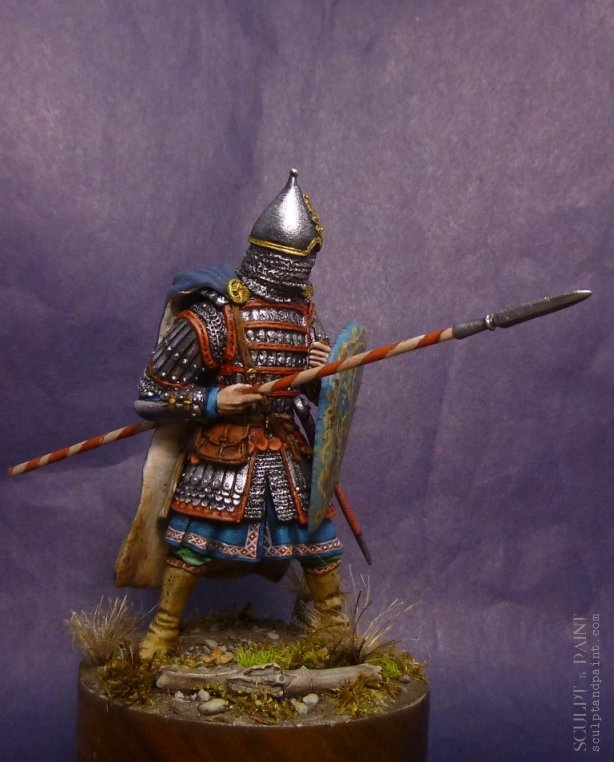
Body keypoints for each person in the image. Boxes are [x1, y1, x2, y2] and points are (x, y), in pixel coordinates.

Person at [133, 170, 345, 659]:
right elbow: (151, 394)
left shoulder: (304, 318)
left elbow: (320, 398)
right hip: (223, 451)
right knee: (193, 543)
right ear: (273, 257)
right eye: (297, 261)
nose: (302, 272)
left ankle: (334, 628)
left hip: (288, 449)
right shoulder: (214, 315)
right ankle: (163, 631)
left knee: (318, 539)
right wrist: (213, 402)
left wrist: (324, 374)